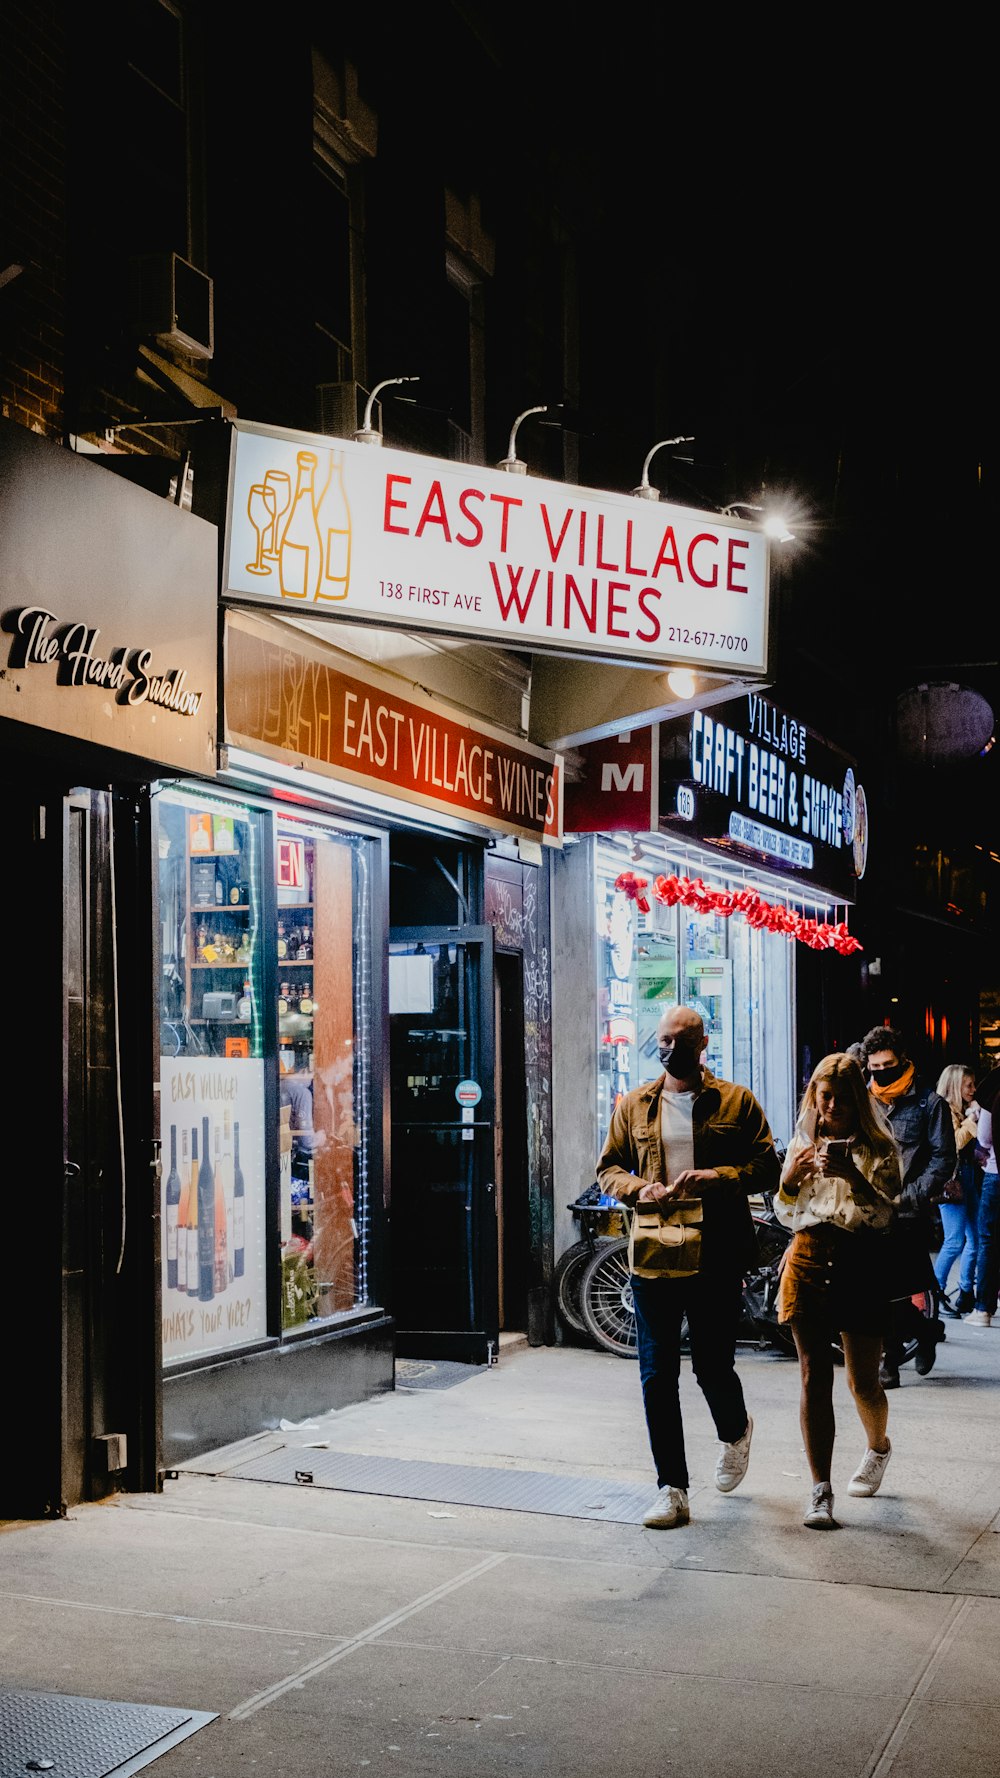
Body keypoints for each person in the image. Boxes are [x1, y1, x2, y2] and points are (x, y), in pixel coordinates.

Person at [597, 1004, 780, 1530]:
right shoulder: (635, 1105)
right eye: (662, 1040)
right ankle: (671, 1488)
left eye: (680, 1040)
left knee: (711, 1367)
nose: (669, 1049)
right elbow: (608, 1167)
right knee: (657, 1373)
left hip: (716, 1254)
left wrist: (719, 1177)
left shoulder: (736, 1102)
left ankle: (736, 1430)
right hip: (654, 1253)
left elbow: (767, 1164)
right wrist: (640, 1189)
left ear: (702, 1045)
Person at [775, 1054, 902, 1529]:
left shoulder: (880, 1148)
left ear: (858, 1099)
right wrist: (789, 1180)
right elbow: (786, 1212)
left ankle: (878, 1446)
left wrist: (851, 1175)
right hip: (807, 1256)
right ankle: (819, 1490)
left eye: (841, 1098)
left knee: (863, 1381)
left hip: (860, 1261)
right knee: (812, 1374)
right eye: (823, 1097)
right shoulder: (802, 1143)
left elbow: (886, 1216)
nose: (831, 1106)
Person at [862, 1025, 956, 1386]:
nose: (881, 1071)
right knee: (877, 1289)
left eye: (888, 1064)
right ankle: (920, 1335)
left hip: (908, 1210)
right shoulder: (864, 1100)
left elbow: (942, 1159)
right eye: (875, 1066)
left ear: (902, 1061)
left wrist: (911, 1196)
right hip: (869, 1209)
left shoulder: (928, 1103)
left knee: (898, 1287)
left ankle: (893, 1355)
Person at [933, 1064, 982, 1317]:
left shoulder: (960, 1111)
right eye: (969, 1085)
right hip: (952, 1182)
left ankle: (965, 1291)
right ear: (955, 1086)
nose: (973, 1090)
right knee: (954, 1240)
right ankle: (935, 1292)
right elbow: (951, 1145)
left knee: (975, 1238)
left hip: (968, 1176)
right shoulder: (944, 1111)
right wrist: (972, 1121)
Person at [967, 1101, 999, 1327]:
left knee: (988, 1240)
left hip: (996, 1173)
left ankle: (983, 1310)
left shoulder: (993, 1093)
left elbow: (985, 1138)